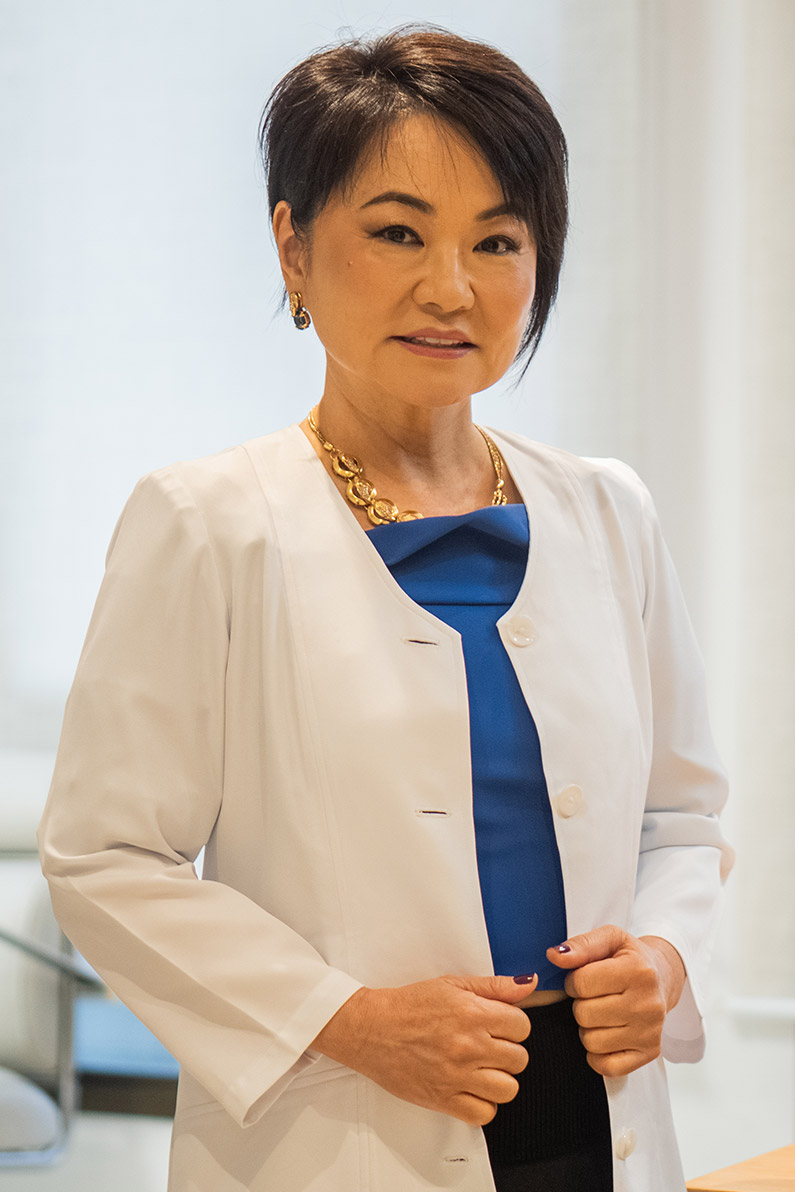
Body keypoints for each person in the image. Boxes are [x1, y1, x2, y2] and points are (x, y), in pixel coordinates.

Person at [37, 24, 733, 1192]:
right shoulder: (208, 524)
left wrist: (663, 957)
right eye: (399, 231)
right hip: (341, 1131)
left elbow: (683, 815)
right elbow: (106, 858)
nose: (450, 288)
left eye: (497, 241)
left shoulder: (609, 512)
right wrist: (348, 1020)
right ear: (294, 247)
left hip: (598, 1120)